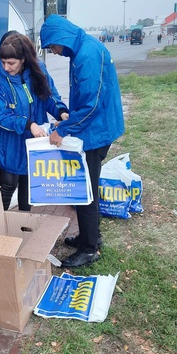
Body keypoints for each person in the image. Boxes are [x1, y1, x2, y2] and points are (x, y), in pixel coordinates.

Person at [40, 14, 125, 268]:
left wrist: (63, 129)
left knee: (84, 191)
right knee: (86, 186)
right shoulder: (82, 48)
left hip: (95, 131)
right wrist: (67, 118)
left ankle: (89, 249)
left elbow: (90, 106)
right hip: (96, 128)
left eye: (52, 46)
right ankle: (92, 236)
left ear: (60, 38)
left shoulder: (86, 54)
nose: (54, 52)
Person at [0, 32, 69, 211]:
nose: (6, 67)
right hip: (9, 142)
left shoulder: (38, 70)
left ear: (23, 59)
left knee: (28, 182)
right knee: (8, 183)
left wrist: (61, 112)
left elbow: (50, 96)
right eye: (3, 62)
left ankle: (23, 223)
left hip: (33, 140)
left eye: (11, 63)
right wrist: (28, 124)